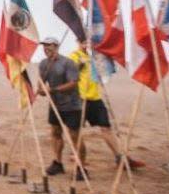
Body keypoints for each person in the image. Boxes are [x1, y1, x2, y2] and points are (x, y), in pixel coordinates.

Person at [69, 40, 144, 169]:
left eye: (87, 42)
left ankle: (119, 157)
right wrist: (79, 66)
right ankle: (77, 156)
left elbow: (104, 71)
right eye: (82, 42)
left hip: (95, 98)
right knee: (76, 131)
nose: (85, 45)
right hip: (79, 99)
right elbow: (70, 74)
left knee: (106, 127)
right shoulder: (74, 56)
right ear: (77, 43)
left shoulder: (95, 56)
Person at [36, 37, 82, 178]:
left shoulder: (68, 63)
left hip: (72, 105)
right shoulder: (43, 64)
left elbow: (73, 83)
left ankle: (81, 167)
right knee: (55, 133)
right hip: (55, 105)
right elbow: (41, 82)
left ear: (56, 46)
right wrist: (41, 89)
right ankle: (58, 163)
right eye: (44, 46)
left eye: (49, 46)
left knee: (75, 136)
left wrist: (52, 90)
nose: (46, 49)